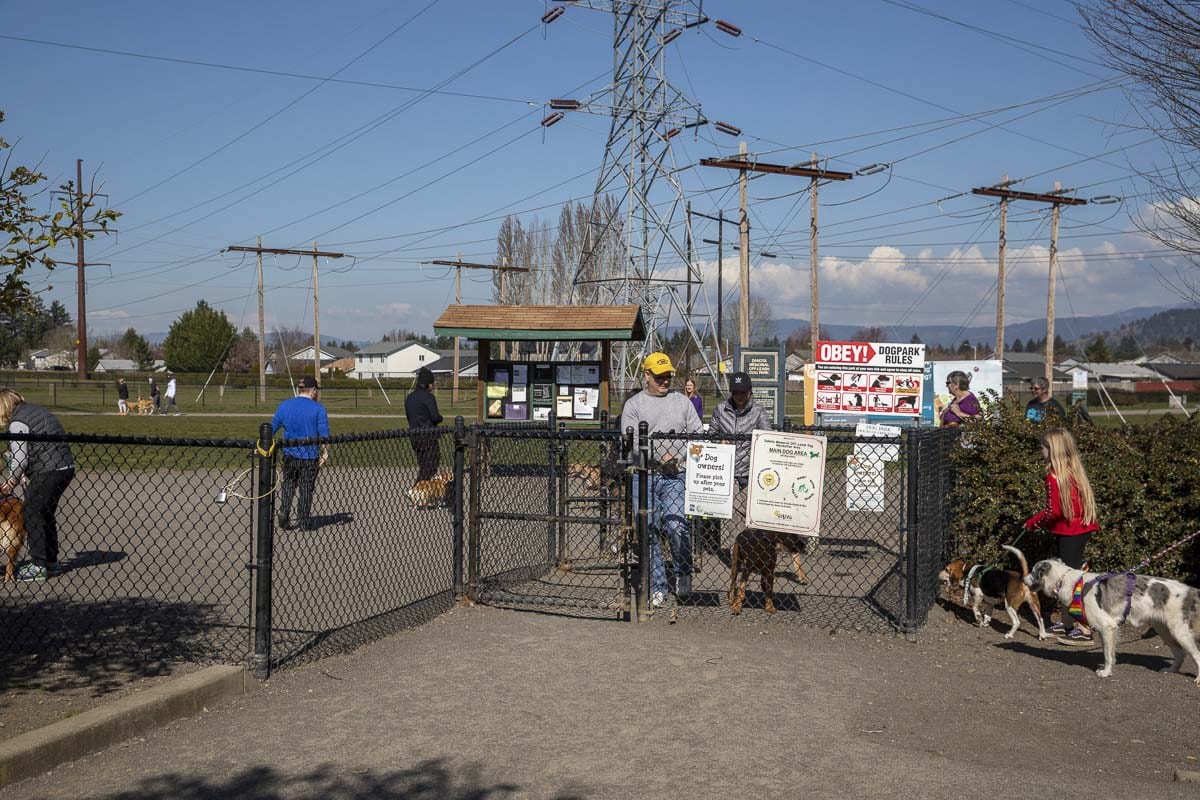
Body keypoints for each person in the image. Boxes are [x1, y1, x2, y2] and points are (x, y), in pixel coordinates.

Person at [620, 352, 703, 607]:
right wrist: (657, 456)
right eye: (659, 376)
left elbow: (697, 435)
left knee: (677, 526)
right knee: (649, 530)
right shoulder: (633, 405)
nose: (665, 380)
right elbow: (631, 441)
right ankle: (657, 585)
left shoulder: (682, 403)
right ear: (646, 375)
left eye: (668, 375)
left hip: (675, 476)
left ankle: (682, 572)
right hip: (643, 477)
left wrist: (678, 459)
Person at [1024, 427, 1098, 640]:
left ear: (1052, 449)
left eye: (1043, 446)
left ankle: (1083, 628)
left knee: (1071, 581)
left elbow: (1052, 511)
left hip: (1070, 532)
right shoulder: (1072, 470)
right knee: (1069, 576)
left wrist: (1033, 523)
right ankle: (1067, 622)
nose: (1040, 449)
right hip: (1078, 529)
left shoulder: (1054, 476)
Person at [0, 389, 75, 582]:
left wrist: (11, 481)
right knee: (45, 512)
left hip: (49, 469)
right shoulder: (34, 410)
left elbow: (19, 459)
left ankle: (38, 565)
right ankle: (51, 562)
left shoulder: (18, 422)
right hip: (65, 467)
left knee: (32, 512)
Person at [271, 376, 329, 531]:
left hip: (289, 454)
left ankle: (284, 511)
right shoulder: (318, 408)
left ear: (300, 389)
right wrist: (325, 451)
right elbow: (323, 433)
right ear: (314, 390)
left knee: (289, 483)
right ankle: (303, 520)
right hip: (310, 456)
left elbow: (272, 427)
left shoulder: (285, 405)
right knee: (306, 487)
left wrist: (264, 442)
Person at [405, 367, 444, 482]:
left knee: (423, 465)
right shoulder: (428, 397)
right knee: (430, 467)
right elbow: (435, 417)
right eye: (432, 383)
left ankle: (423, 493)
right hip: (428, 437)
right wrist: (440, 418)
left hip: (414, 436)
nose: (433, 386)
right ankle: (416, 491)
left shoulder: (410, 397)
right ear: (428, 384)